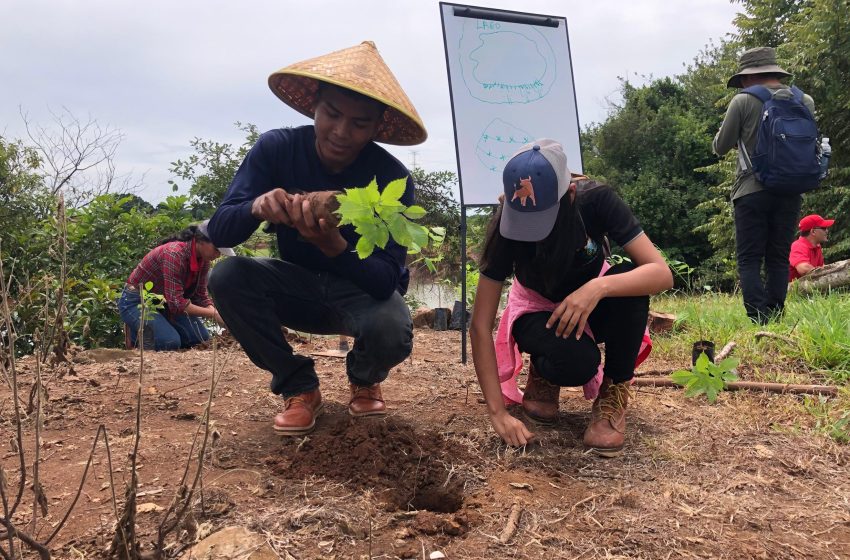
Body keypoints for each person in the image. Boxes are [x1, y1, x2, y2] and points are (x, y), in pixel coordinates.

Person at [205, 41, 427, 436]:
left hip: (357, 294)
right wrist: (255, 207)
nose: (341, 132)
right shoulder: (277, 148)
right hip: (295, 286)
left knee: (392, 324)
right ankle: (299, 387)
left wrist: (334, 247)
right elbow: (220, 230)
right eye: (332, 114)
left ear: (377, 127)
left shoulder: (392, 179)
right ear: (315, 107)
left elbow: (385, 281)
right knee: (227, 276)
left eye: (360, 123)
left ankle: (364, 377)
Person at [469, 139, 672, 457]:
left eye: (543, 221)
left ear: (571, 196)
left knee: (629, 280)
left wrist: (596, 288)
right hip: (536, 309)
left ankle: (613, 392)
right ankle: (545, 371)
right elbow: (480, 325)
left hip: (590, 304)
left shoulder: (597, 201)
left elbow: (661, 273)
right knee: (579, 363)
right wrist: (498, 414)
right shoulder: (508, 222)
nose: (534, 234)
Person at [713, 47, 815, 324]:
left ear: (746, 78)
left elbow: (720, 147)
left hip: (751, 190)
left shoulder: (743, 101)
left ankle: (759, 318)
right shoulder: (804, 100)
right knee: (779, 256)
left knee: (750, 258)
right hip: (791, 189)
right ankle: (777, 314)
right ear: (775, 72)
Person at [118, 221, 233, 350]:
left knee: (200, 338)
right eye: (216, 249)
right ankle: (135, 335)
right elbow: (177, 304)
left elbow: (200, 296)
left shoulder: (203, 261)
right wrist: (213, 314)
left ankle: (159, 327)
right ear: (200, 240)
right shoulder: (174, 254)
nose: (218, 255)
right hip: (137, 301)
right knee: (170, 342)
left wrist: (217, 314)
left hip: (165, 304)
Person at [789, 214, 835, 281]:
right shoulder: (798, 245)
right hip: (790, 290)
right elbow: (803, 269)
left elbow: (821, 267)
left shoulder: (817, 246)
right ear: (813, 231)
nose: (827, 231)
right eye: (824, 228)